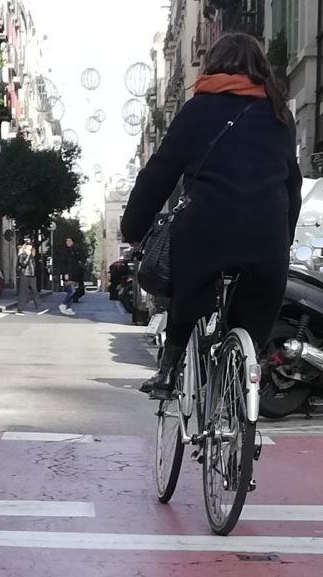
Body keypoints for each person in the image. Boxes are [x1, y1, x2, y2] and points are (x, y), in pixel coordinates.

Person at [119, 30, 303, 398]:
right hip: (266, 237)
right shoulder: (279, 114)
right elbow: (292, 187)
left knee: (188, 286)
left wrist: (133, 227)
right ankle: (242, 376)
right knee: (259, 306)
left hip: (208, 230)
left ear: (214, 66)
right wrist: (284, 238)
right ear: (260, 69)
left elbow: (159, 174)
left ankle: (169, 371)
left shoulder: (198, 109)